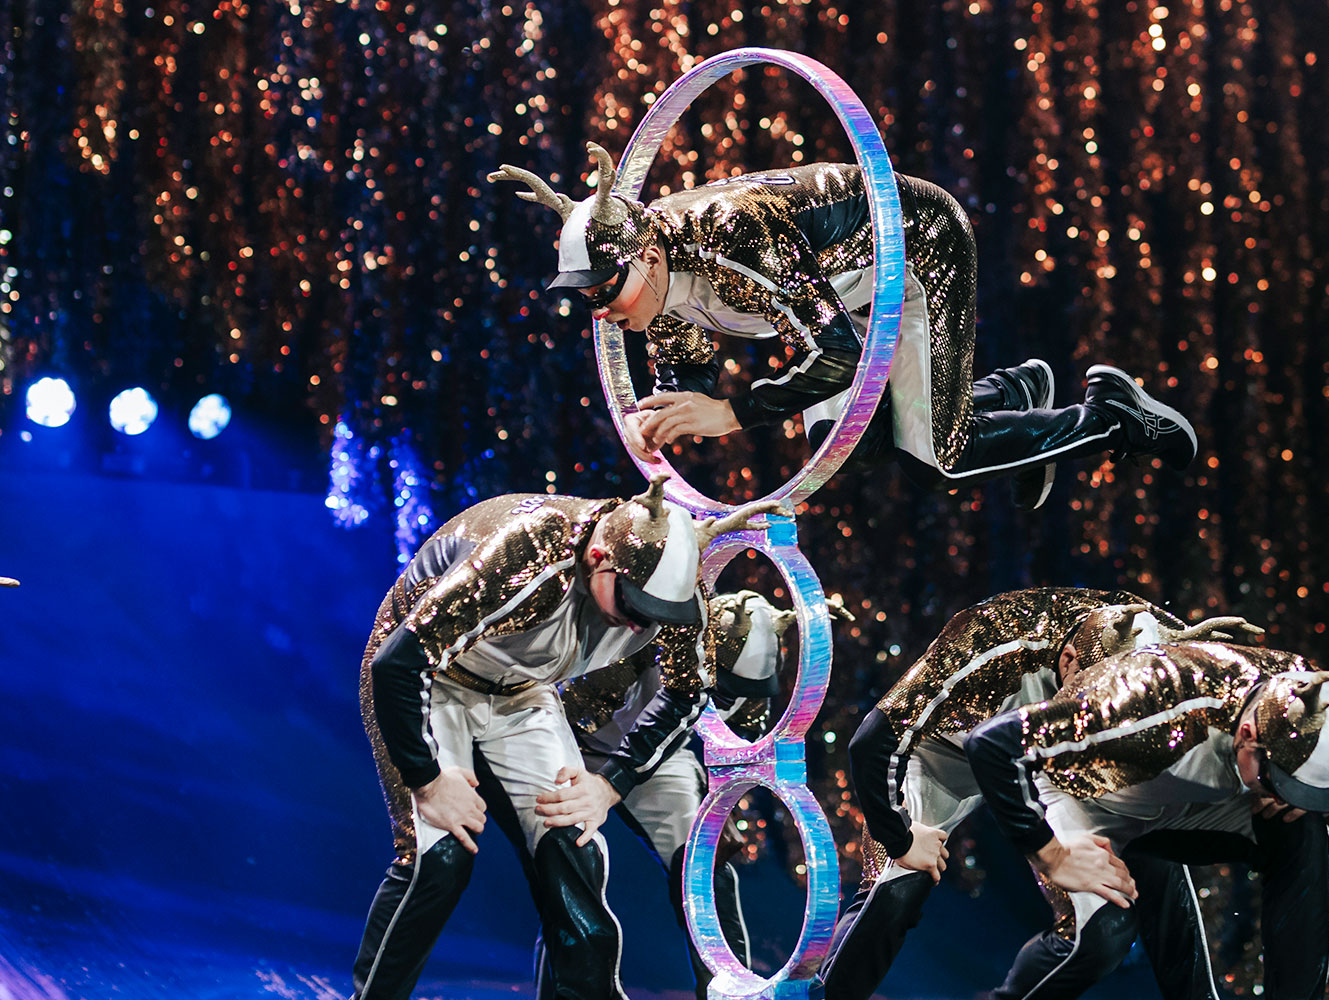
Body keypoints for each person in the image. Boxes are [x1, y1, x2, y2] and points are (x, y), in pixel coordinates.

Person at [489, 145, 1196, 508]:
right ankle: (1012, 391)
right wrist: (672, 411)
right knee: (850, 449)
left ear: (645, 255)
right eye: (586, 300)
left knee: (937, 455)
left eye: (605, 289)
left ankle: (1113, 417)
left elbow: (836, 356)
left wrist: (732, 414)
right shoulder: (655, 280)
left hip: (913, 251)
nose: (604, 312)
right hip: (840, 291)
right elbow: (690, 362)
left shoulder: (731, 240)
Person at [350, 474, 779, 999]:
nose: (642, 626)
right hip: (433, 677)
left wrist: (609, 784)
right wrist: (428, 780)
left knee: (573, 845)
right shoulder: (527, 549)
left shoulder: (677, 594)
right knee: (441, 858)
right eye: (633, 606)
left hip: (523, 693)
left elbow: (689, 693)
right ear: (599, 557)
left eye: (658, 614)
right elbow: (401, 660)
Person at [823, 588, 1263, 1000]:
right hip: (944, 758)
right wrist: (900, 838)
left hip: (1058, 764)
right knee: (898, 887)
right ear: (1070, 659)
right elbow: (871, 743)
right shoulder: (992, 636)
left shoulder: (1158, 646)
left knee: (1109, 921)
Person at [966, 641, 1329, 1000]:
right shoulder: (1146, 699)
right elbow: (991, 744)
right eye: (1277, 781)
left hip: (1173, 807)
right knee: (1102, 938)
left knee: (1305, 832)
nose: (1280, 796)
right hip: (1088, 797)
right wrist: (1051, 855)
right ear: (1248, 733)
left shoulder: (1324, 702)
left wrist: (1321, 792)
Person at [524, 590, 852, 999]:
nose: (729, 701)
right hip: (577, 743)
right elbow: (581, 708)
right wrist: (605, 784)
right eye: (725, 687)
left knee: (704, 867)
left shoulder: (751, 682)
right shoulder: (636, 646)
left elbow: (740, 742)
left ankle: (730, 992)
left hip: (660, 752)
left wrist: (722, 801)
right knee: (572, 869)